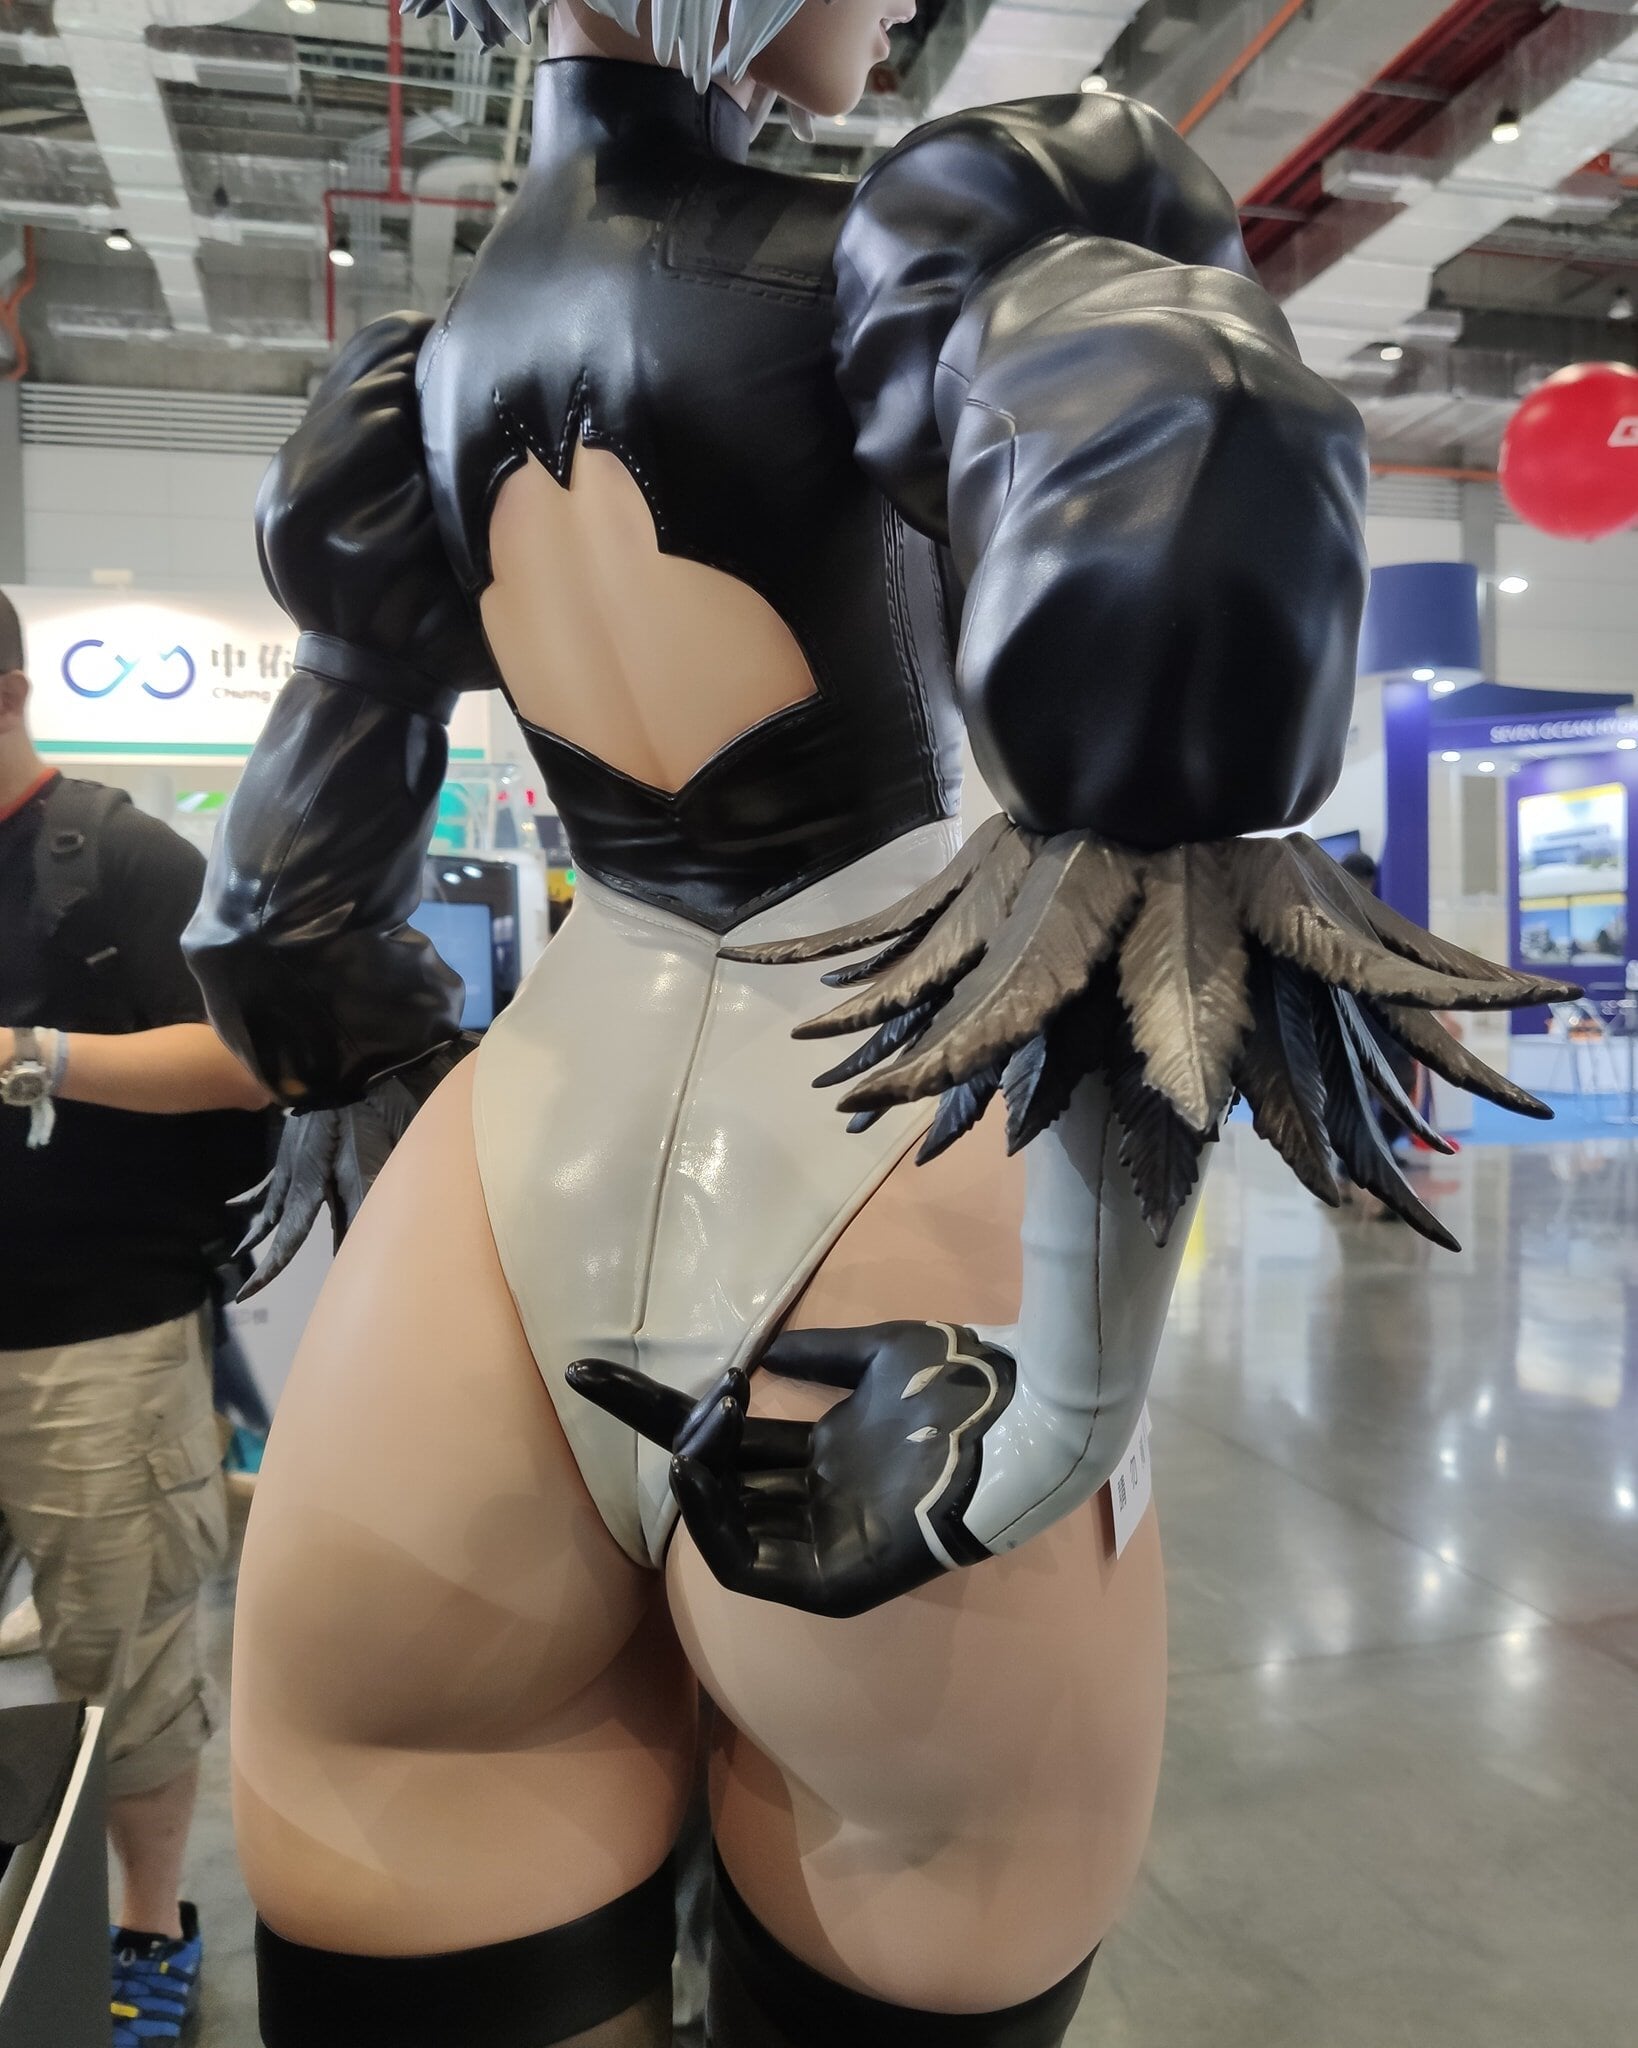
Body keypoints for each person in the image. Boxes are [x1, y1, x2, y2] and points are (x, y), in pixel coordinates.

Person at [184, 6, 1565, 2044]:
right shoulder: (931, 237)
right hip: (888, 1190)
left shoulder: (420, 379)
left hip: (503, 1187)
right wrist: (1060, 1418)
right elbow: (1165, 723)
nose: (899, 8)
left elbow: (287, 902)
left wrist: (391, 1126)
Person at [0, 590, 275, 2047]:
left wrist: (35, 1056)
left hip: (96, 1335)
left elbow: (251, 1062)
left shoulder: (118, 857)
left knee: (125, 1663)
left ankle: (148, 1926)